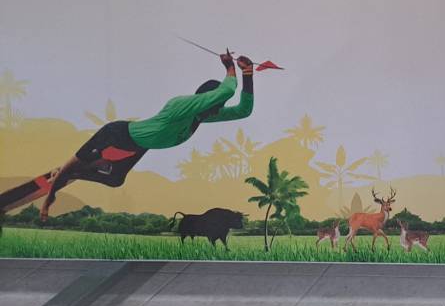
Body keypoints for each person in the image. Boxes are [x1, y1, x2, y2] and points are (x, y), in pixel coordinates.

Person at [0, 53, 256, 221]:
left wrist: (248, 75)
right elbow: (225, 91)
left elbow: (243, 111)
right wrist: (230, 67)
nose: (217, 111)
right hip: (117, 134)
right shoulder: (182, 106)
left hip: (137, 147)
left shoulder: (201, 116)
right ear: (204, 101)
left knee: (115, 181)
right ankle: (55, 190)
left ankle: (76, 171)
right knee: (68, 169)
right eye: (215, 106)